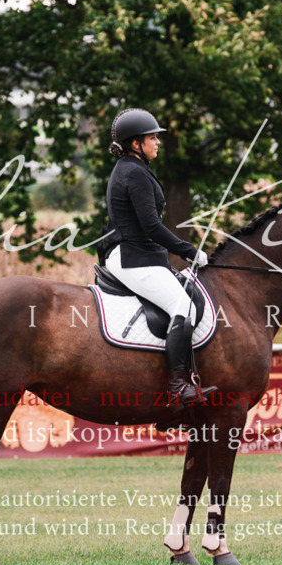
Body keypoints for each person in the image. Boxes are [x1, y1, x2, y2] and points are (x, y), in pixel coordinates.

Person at [98, 108, 216, 406]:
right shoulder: (134, 173)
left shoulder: (133, 168)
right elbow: (151, 227)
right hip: (132, 257)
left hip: (138, 253)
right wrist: (189, 251)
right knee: (184, 307)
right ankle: (178, 387)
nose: (157, 142)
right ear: (135, 143)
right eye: (152, 138)